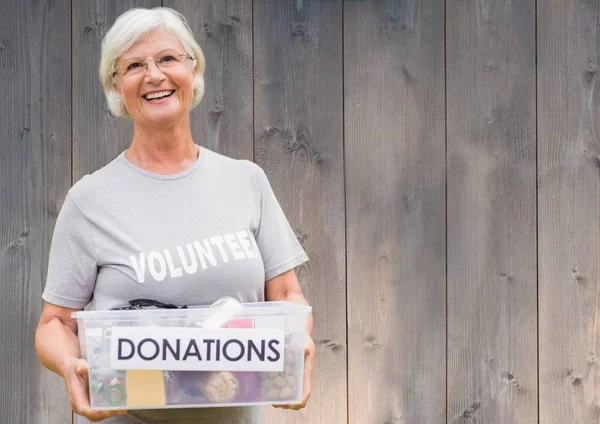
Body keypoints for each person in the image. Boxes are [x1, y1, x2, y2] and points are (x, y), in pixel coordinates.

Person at [34, 7, 315, 424]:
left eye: (167, 58)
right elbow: (54, 324)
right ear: (117, 86)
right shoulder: (89, 200)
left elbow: (288, 296)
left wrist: (301, 345)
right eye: (133, 65)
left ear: (193, 69)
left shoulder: (246, 181)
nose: (153, 75)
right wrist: (70, 365)